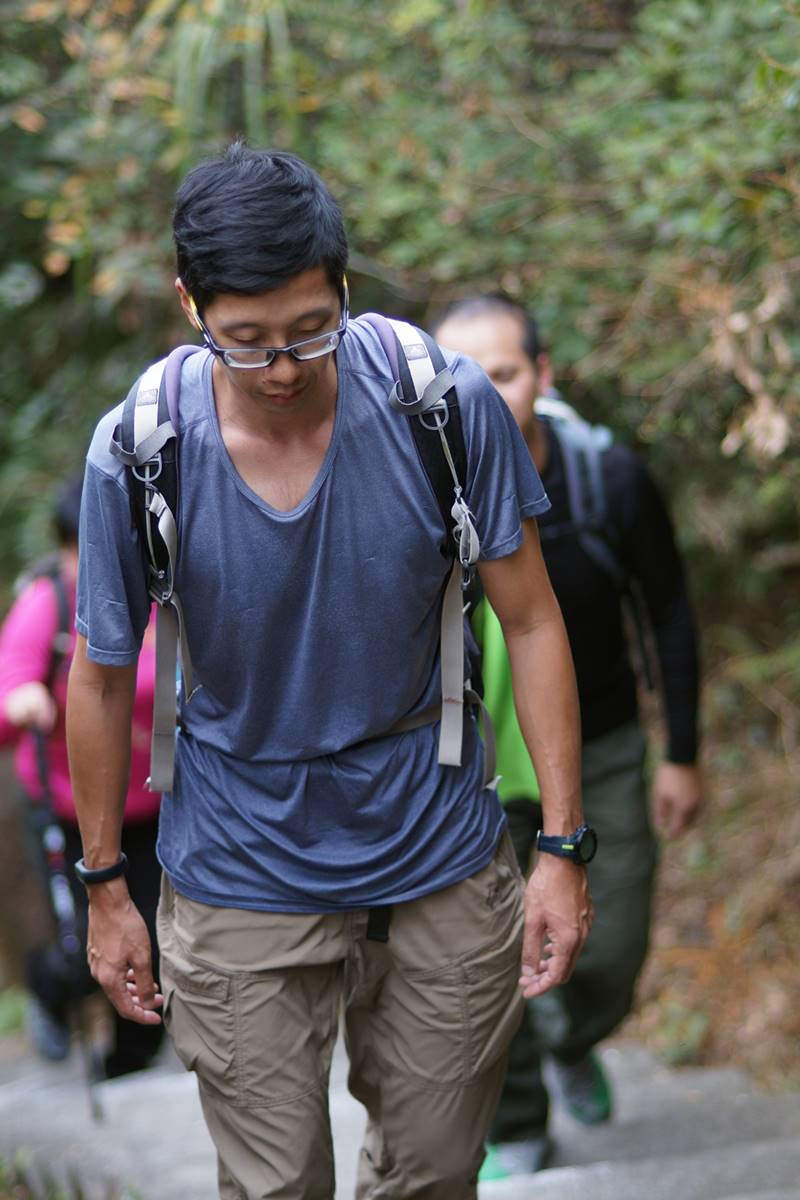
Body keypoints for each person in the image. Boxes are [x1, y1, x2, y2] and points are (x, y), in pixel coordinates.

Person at [67, 143, 593, 1200]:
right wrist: (105, 885)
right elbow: (100, 674)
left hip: (436, 846)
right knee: (275, 1186)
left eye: (311, 328)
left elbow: (533, 620)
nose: (282, 367)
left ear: (344, 288)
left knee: (435, 1172)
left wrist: (561, 846)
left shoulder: (440, 407)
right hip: (237, 863)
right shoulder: (141, 451)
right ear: (189, 304)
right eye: (245, 340)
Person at [433, 294, 702, 1179]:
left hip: (600, 750)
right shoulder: (412, 486)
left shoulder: (606, 480)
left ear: (543, 375)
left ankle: (573, 1035)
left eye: (503, 374)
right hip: (466, 769)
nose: (480, 397)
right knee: (487, 959)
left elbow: (668, 613)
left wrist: (682, 752)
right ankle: (517, 1122)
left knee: (611, 947)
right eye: (459, 379)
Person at [0, 476, 164, 1078]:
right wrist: (22, 701)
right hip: (72, 810)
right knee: (85, 947)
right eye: (76, 548)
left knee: (155, 939)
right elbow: (9, 688)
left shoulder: (157, 594)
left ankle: (130, 1061)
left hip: (155, 806)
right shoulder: (46, 603)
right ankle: (50, 989)